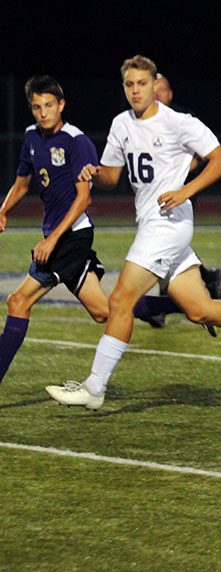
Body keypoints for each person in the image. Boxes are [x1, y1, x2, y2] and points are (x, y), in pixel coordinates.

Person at [45, 55, 221, 410]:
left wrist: (185, 190)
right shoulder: (121, 123)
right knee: (199, 310)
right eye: (129, 85)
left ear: (155, 85)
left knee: (120, 300)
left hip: (169, 224)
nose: (135, 90)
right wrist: (94, 172)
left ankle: (94, 388)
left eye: (141, 83)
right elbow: (111, 176)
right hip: (152, 223)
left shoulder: (179, 123)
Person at [0, 75, 184, 385]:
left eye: (48, 106)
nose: (43, 113)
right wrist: (3, 210)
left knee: (18, 301)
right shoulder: (32, 137)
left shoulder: (76, 141)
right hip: (62, 236)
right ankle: (181, 305)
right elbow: (22, 183)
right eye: (36, 107)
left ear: (61, 105)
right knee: (103, 311)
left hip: (71, 236)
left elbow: (84, 198)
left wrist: (52, 239)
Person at [137, 72, 221, 333]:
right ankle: (207, 280)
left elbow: (206, 156)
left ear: (170, 93)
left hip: (181, 193)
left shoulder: (181, 119)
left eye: (163, 89)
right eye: (156, 89)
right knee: (167, 249)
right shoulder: (143, 121)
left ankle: (165, 307)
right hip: (154, 195)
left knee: (162, 246)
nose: (159, 94)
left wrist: (181, 177)